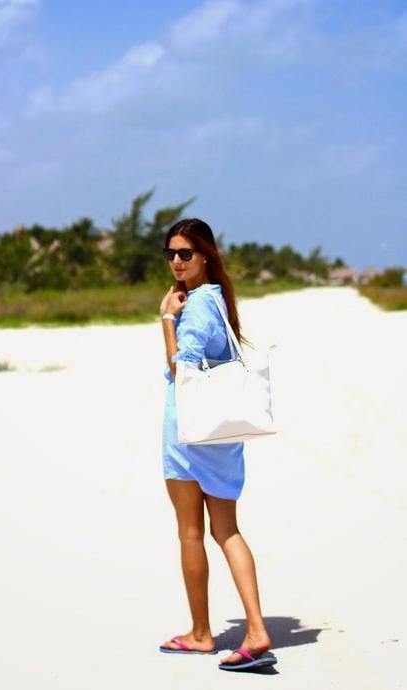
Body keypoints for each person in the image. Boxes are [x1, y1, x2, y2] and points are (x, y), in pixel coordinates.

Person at [158, 218, 277, 672]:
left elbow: (179, 367)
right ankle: (256, 627)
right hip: (222, 434)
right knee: (226, 530)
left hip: (189, 432)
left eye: (185, 253)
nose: (176, 261)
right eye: (170, 253)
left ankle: (201, 633)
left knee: (192, 532)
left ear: (205, 255)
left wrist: (167, 318)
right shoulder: (220, 301)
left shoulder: (197, 306)